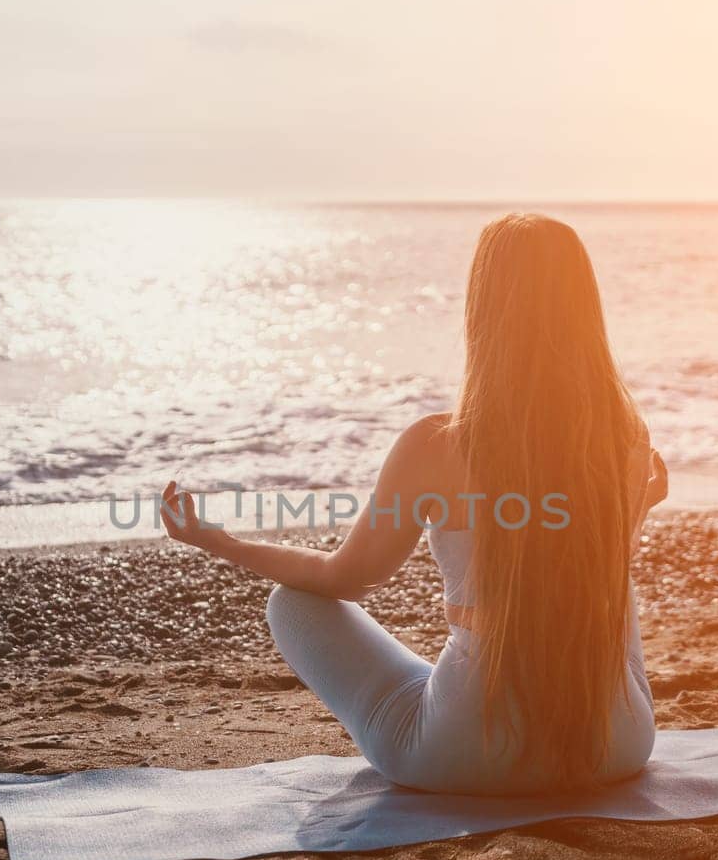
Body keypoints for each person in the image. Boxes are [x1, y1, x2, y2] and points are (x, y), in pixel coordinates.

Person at [160, 213, 668, 795]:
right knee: (608, 581)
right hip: (612, 748)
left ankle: (463, 676)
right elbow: (587, 576)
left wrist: (217, 540)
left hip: (461, 754)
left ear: (483, 310)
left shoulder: (436, 445)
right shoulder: (624, 436)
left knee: (292, 605)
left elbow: (344, 578)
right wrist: (633, 514)